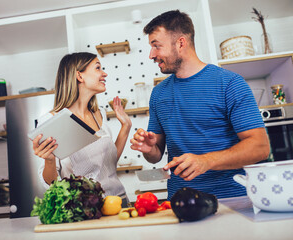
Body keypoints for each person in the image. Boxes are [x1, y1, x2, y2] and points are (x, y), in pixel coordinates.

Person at [130, 10, 270, 200]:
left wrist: (207, 161)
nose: (151, 55)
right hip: (180, 201)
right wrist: (149, 149)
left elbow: (260, 147)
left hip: (232, 201)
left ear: (180, 43)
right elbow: (156, 155)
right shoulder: (158, 93)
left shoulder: (229, 83)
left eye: (156, 46)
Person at [32, 52, 132, 206]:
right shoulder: (51, 121)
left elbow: (108, 164)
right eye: (98, 68)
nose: (104, 74)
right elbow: (51, 185)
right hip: (86, 208)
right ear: (79, 76)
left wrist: (125, 127)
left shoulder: (100, 115)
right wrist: (49, 161)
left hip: (119, 201)